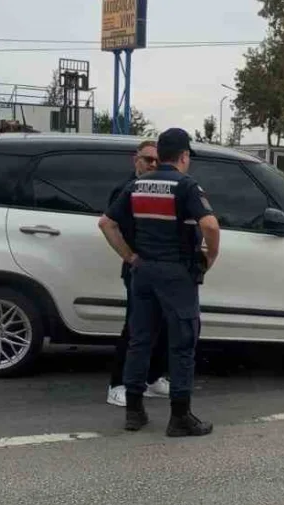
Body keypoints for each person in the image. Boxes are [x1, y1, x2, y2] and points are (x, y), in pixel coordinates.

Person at [99, 128, 221, 437]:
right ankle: (180, 417)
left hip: (143, 273)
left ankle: (134, 412)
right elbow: (210, 225)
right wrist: (210, 257)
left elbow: (106, 223)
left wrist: (130, 257)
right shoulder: (186, 186)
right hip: (176, 274)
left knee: (140, 341)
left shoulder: (137, 185)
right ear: (184, 156)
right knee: (182, 344)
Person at [104, 140, 171, 407]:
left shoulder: (159, 189)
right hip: (138, 270)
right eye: (147, 159)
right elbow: (109, 225)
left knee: (162, 324)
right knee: (135, 327)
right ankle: (117, 384)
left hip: (160, 269)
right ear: (136, 160)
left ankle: (152, 379)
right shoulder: (126, 189)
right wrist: (130, 257)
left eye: (157, 161)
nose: (152, 164)